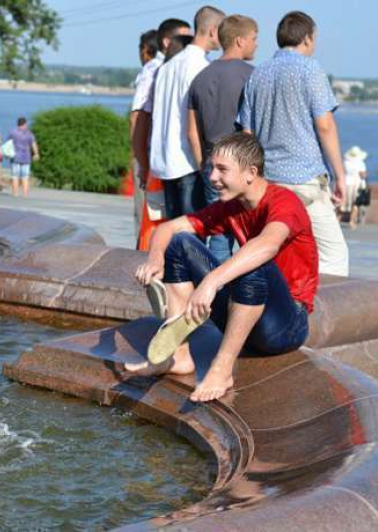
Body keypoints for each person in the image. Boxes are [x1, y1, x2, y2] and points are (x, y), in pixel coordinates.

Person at [129, 133, 317, 403]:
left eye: (222, 169)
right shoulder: (232, 207)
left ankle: (222, 369)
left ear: (251, 173)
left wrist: (211, 281)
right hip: (244, 313)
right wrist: (155, 259)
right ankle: (177, 356)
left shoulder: (284, 203)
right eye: (212, 168)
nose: (213, 177)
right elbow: (170, 229)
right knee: (180, 244)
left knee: (253, 262)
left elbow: (268, 244)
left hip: (285, 326)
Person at [237, 11, 348, 276]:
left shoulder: (258, 74)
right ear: (307, 39)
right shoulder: (311, 69)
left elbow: (247, 133)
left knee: (279, 253)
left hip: (269, 181)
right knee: (334, 255)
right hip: (304, 179)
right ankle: (322, 313)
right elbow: (325, 125)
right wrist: (340, 176)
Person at [188, 14, 258, 262]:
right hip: (240, 163)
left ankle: (213, 283)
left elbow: (192, 131)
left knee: (219, 230)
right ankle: (225, 292)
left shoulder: (200, 77)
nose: (256, 44)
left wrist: (202, 164)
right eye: (253, 38)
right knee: (250, 233)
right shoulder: (252, 75)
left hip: (211, 161)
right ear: (239, 41)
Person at [150, 6, 225, 220]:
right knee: (192, 233)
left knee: (175, 231)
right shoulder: (201, 66)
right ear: (212, 31)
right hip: (188, 159)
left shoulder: (166, 67)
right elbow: (203, 118)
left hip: (165, 158)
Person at [134, 18, 192, 251]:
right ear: (168, 41)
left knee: (165, 223)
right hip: (154, 161)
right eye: (186, 39)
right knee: (151, 221)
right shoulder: (154, 70)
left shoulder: (172, 68)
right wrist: (143, 163)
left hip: (165, 160)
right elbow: (138, 117)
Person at [130, 29, 160, 234]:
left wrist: (141, 163)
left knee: (144, 216)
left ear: (145, 50)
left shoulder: (149, 71)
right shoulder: (167, 68)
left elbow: (137, 118)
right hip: (164, 155)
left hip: (147, 153)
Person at [7, 117, 40, 198]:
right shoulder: (29, 133)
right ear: (25, 124)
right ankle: (25, 195)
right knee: (25, 177)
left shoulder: (13, 133)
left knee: (15, 176)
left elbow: (8, 143)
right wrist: (36, 153)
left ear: (18, 124)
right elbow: (33, 144)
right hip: (26, 158)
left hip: (15, 157)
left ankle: (15, 194)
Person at [342, 146, 368, 229]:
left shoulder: (345, 162)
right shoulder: (361, 163)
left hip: (347, 184)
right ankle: (352, 222)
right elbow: (363, 175)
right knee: (356, 205)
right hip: (357, 185)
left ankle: (336, 220)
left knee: (343, 205)